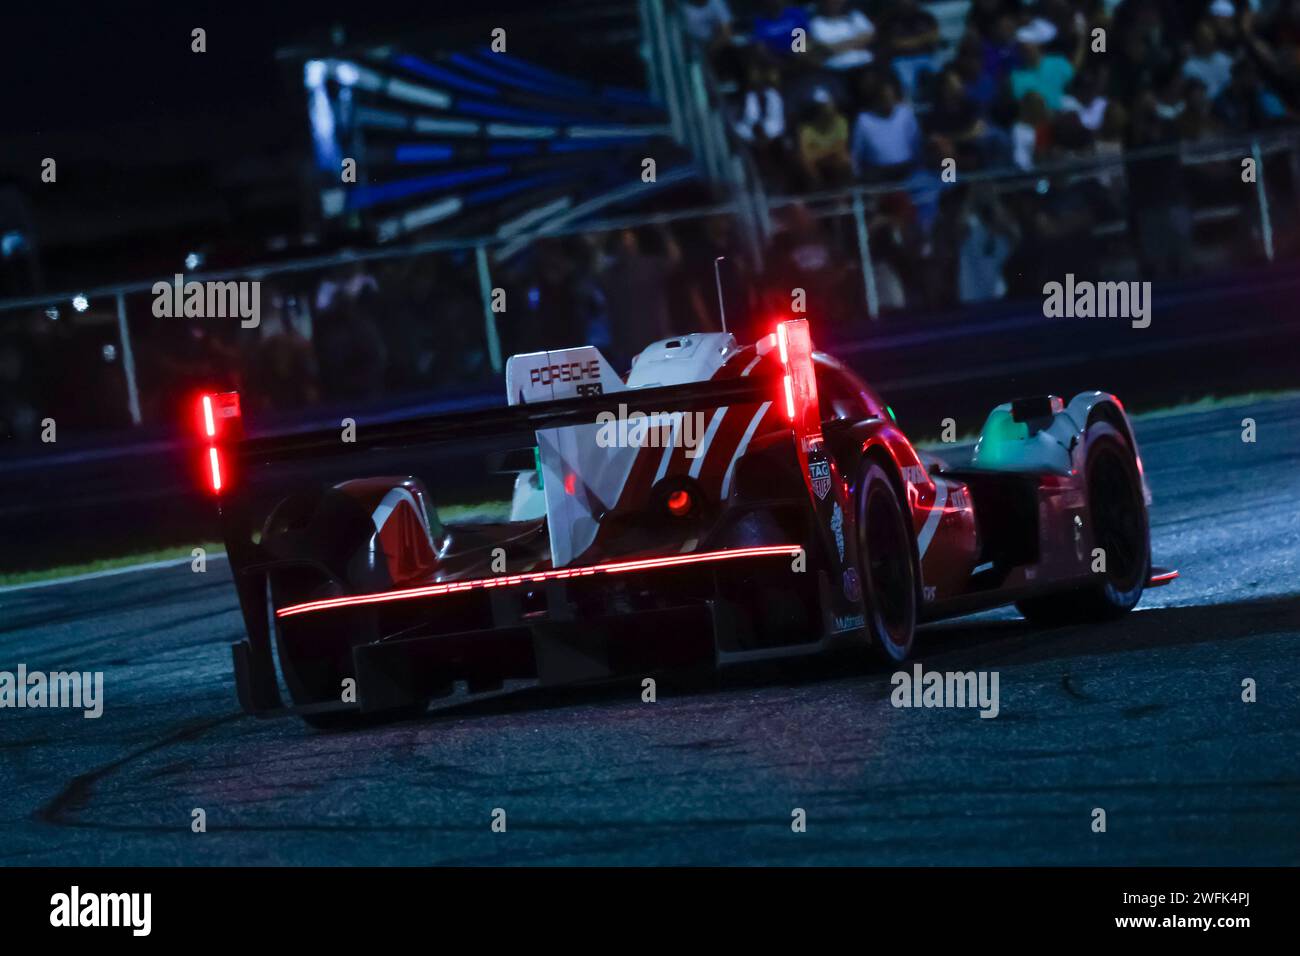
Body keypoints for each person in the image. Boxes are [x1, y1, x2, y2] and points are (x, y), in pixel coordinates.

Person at [850, 77, 920, 179]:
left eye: (890, 96)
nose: (888, 100)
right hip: (877, 174)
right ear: (877, 98)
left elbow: (917, 144)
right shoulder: (863, 120)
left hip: (907, 170)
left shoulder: (905, 113)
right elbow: (856, 153)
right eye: (884, 96)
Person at [796, 87, 853, 188]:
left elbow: (841, 149)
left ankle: (845, 192)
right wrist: (829, 151)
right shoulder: (806, 130)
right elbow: (806, 157)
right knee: (807, 165)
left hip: (833, 163)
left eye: (828, 104)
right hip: (818, 167)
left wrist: (817, 152)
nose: (827, 108)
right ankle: (819, 192)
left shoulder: (841, 122)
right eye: (822, 106)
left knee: (844, 160)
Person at [809, 0, 875, 72]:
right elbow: (827, 48)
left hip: (866, 64)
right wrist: (857, 41)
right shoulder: (816, 22)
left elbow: (870, 36)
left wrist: (841, 45)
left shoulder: (855, 15)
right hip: (837, 70)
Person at [1010, 42, 1075, 110]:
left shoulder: (1058, 61)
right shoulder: (1016, 76)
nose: (1027, 48)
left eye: (1029, 44)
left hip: (1062, 114)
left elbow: (1073, 75)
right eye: (1023, 48)